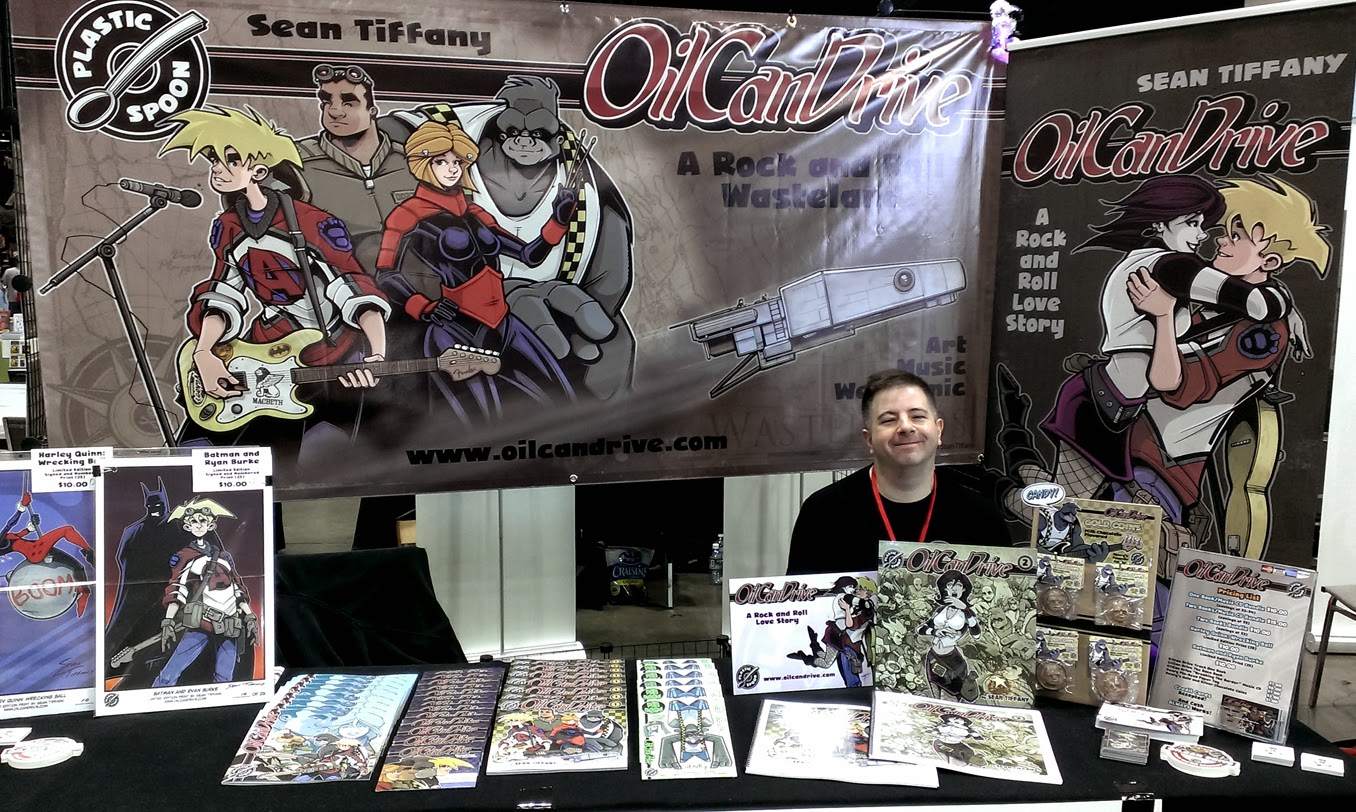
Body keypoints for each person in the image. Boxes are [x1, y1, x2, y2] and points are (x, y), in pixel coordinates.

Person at [160, 105, 391, 472]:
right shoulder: (229, 227)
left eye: (230, 159)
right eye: (214, 159)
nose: (217, 168)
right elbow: (224, 294)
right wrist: (204, 353)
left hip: (330, 356)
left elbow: (355, 291)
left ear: (259, 171)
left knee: (303, 460)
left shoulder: (313, 224)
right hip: (263, 350)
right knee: (200, 450)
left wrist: (376, 355)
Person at [374, 119, 576, 426]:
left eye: (457, 161)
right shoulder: (407, 215)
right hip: (455, 328)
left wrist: (558, 221)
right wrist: (423, 307)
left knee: (564, 397)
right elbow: (385, 274)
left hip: (504, 323)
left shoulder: (477, 213)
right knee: (483, 421)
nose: (452, 169)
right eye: (441, 161)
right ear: (423, 164)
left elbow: (528, 256)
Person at [786, 369, 1011, 575]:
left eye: (917, 416)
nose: (905, 427)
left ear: (938, 430)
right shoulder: (823, 513)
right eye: (888, 420)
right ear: (869, 439)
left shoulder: (982, 517)